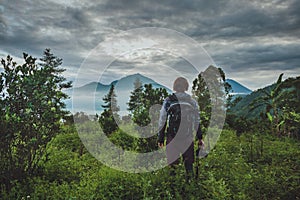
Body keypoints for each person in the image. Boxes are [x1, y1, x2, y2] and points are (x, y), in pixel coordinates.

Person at [157, 77, 204, 179]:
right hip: (187, 137)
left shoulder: (168, 101)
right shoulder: (192, 102)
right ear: (186, 86)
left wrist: (160, 138)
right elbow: (197, 121)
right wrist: (200, 138)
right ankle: (190, 190)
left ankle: (173, 191)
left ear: (175, 86)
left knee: (173, 167)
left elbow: (162, 120)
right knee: (189, 166)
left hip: (172, 137)